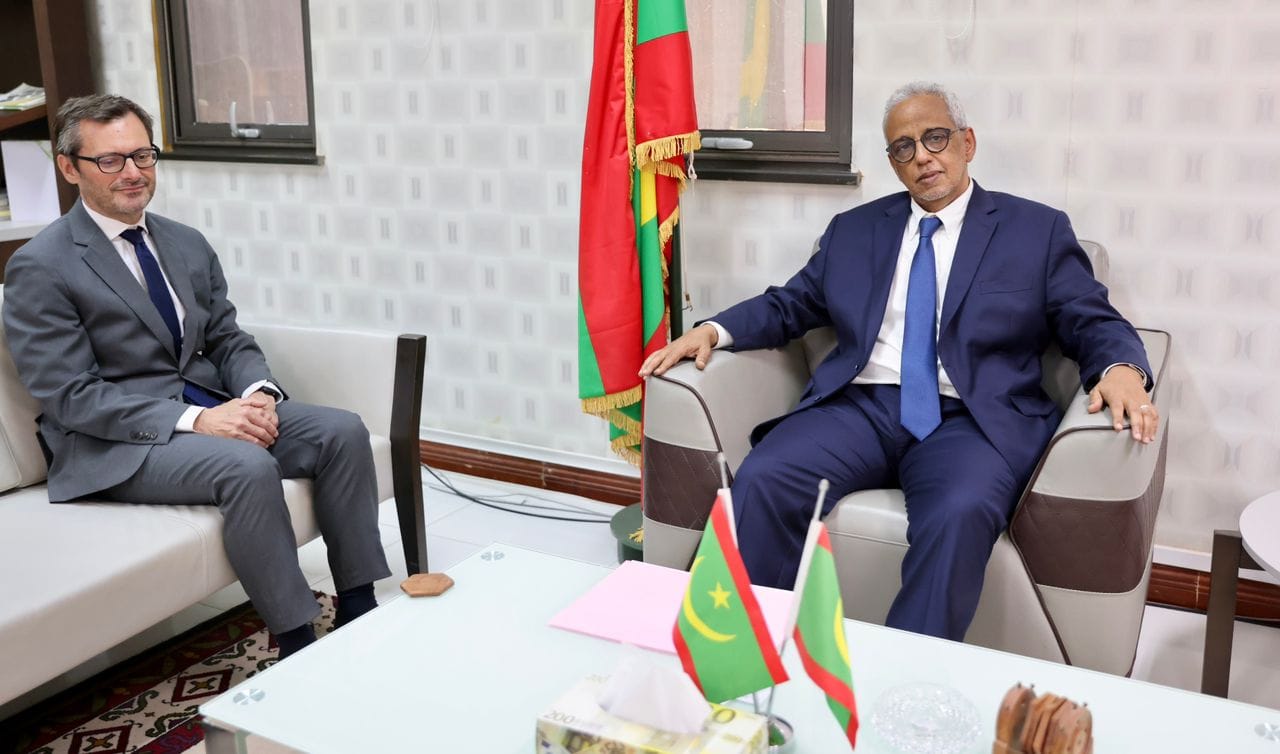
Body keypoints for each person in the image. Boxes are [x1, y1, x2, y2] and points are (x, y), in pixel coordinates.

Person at [640, 81, 1160, 642]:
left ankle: (906, 676)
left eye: (935, 138)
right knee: (766, 477)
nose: (922, 157)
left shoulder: (1035, 231)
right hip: (860, 408)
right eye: (903, 148)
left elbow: (1090, 318)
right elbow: (792, 304)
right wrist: (713, 330)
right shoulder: (855, 230)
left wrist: (1121, 369)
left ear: (967, 142)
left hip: (973, 419)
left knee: (958, 513)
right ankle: (735, 649)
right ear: (893, 162)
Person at [2, 95, 391, 659]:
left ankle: (360, 607)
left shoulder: (184, 242)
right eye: (110, 160)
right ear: (69, 168)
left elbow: (227, 337)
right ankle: (298, 644)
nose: (132, 172)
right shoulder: (40, 265)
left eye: (142, 155)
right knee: (246, 465)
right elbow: (70, 396)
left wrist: (258, 393)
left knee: (342, 431)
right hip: (112, 444)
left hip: (205, 407)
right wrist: (200, 420)